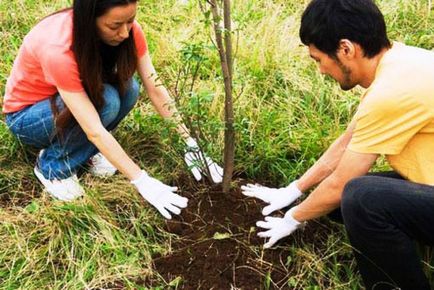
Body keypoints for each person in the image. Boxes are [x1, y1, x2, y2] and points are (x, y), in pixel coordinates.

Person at [242, 0, 434, 289]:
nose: (320, 70)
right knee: (340, 202)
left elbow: (343, 180)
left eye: (319, 59)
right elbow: (348, 142)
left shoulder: (390, 93)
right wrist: (294, 189)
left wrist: (292, 218)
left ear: (346, 49)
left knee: (359, 198)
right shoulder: (400, 63)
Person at [2, 0, 223, 219]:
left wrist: (189, 142)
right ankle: (53, 167)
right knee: (107, 102)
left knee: (129, 89)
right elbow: (94, 129)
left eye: (130, 21)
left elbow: (155, 88)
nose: (125, 33)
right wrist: (141, 180)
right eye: (114, 26)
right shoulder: (59, 48)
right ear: (90, 20)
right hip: (27, 118)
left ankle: (82, 151)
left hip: (67, 104)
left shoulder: (129, 32)